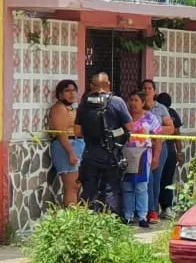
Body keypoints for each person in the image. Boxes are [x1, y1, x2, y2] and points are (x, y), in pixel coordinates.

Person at [74, 73, 132, 215]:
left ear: (92, 86)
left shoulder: (85, 102)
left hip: (90, 154)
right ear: (109, 84)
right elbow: (130, 127)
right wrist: (115, 133)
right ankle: (109, 222)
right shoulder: (117, 101)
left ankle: (86, 222)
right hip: (111, 155)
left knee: (89, 189)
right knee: (111, 190)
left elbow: (77, 131)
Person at [120, 92, 158, 227]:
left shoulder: (150, 118)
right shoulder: (125, 117)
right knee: (127, 186)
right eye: (131, 99)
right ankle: (128, 215)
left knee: (141, 187)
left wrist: (156, 156)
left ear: (143, 102)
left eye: (136, 100)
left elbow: (158, 137)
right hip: (126, 154)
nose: (133, 103)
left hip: (143, 155)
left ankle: (142, 216)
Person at [142, 79, 175, 224]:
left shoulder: (161, 108)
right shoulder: (138, 106)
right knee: (144, 181)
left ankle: (153, 209)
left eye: (150, 88)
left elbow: (170, 128)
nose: (147, 91)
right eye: (144, 88)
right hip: (141, 148)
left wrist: (155, 130)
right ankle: (143, 209)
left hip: (159, 148)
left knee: (155, 179)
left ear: (154, 91)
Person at [48, 79, 83, 207]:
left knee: (77, 185)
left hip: (77, 144)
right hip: (66, 147)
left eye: (74, 90)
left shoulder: (72, 108)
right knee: (71, 186)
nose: (71, 94)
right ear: (60, 94)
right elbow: (61, 132)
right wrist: (71, 153)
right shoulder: (59, 108)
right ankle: (72, 218)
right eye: (67, 91)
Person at [155, 91, 184, 217]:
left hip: (165, 147)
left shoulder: (165, 113)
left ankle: (160, 207)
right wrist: (180, 151)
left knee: (161, 178)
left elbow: (176, 131)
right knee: (166, 178)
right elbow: (177, 133)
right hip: (169, 147)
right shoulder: (171, 113)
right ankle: (165, 207)